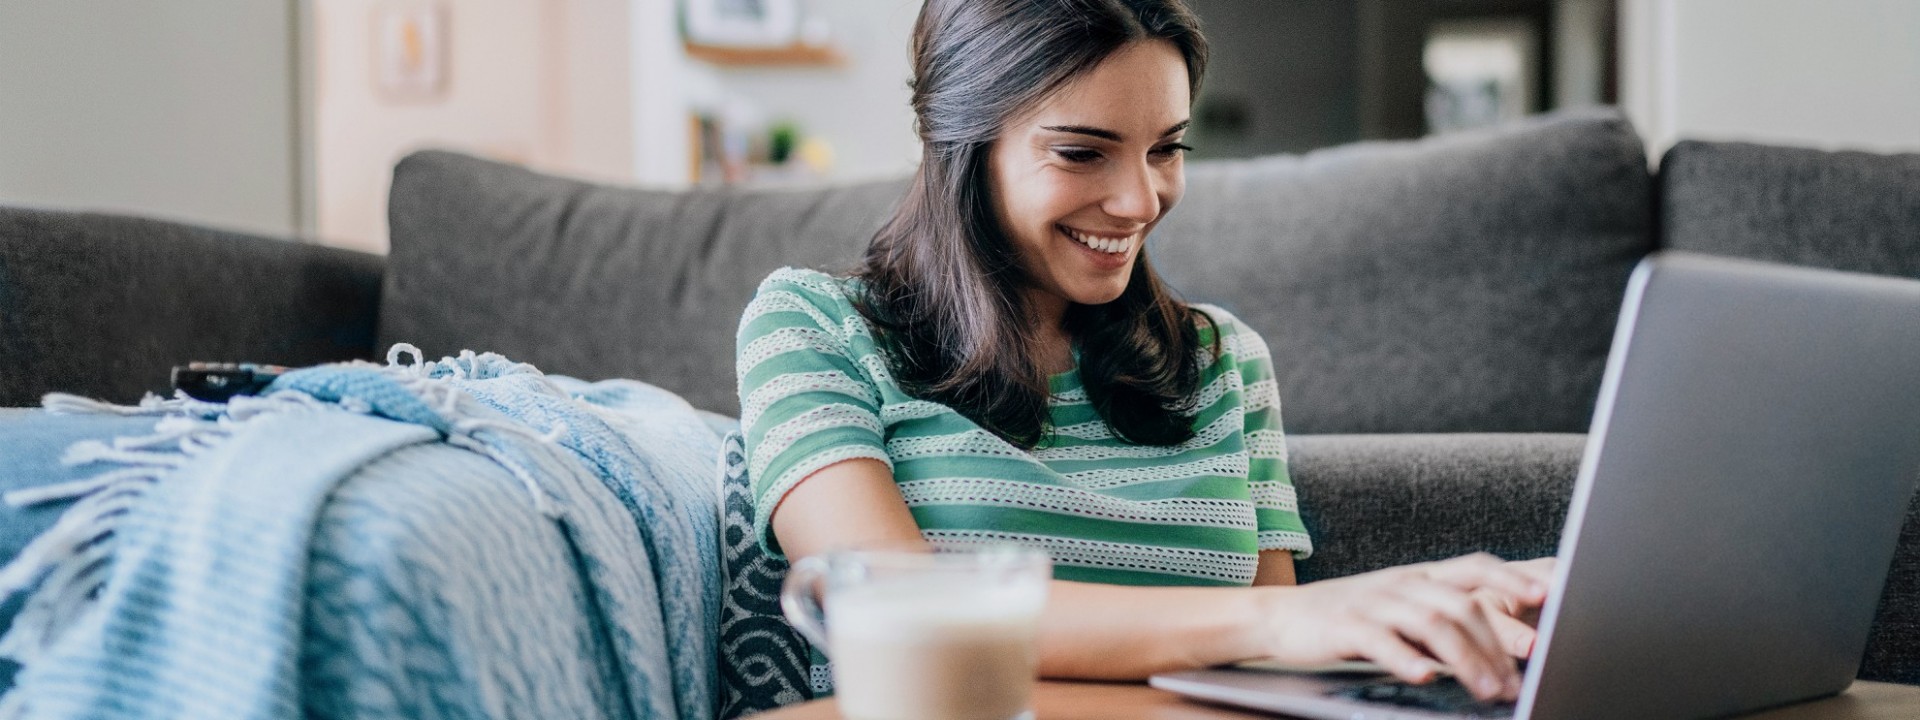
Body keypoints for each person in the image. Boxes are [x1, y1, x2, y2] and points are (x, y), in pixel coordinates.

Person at [735, 0, 1552, 704]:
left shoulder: (1224, 361)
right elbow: (890, 607)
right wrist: (1280, 617)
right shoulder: (810, 325)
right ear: (962, 144)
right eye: (1082, 152)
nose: (1139, 200)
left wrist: (1452, 612)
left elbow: (1268, 668)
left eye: (1166, 148)